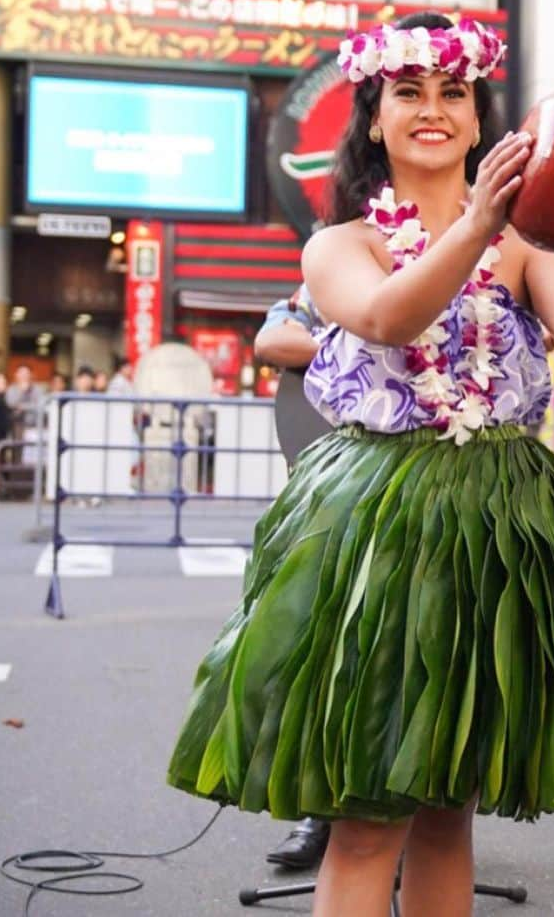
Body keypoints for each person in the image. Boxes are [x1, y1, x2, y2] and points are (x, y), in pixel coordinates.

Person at [166, 11, 554, 917]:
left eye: (453, 93)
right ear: (373, 118)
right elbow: (384, 318)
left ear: (479, 117)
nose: (432, 109)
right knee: (369, 813)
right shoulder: (341, 244)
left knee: (449, 809)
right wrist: (482, 220)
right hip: (379, 526)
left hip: (503, 521)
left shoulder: (525, 242)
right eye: (407, 93)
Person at [252, 284, 334, 872]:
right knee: (318, 659)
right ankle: (319, 813)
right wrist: (364, 334)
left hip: (426, 502)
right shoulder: (318, 288)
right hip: (324, 501)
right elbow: (272, 341)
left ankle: (415, 830)